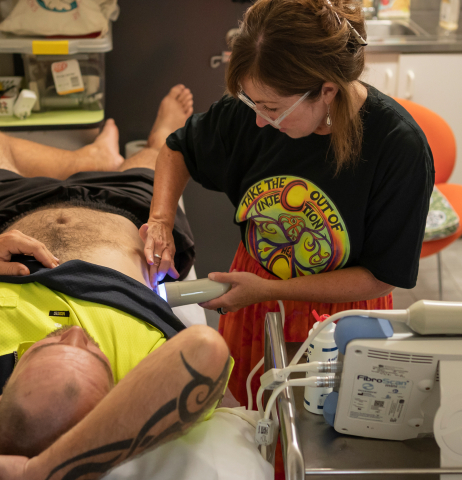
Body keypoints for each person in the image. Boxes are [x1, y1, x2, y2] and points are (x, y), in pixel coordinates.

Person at [0, 86, 232, 479]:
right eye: (96, 355)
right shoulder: (141, 382)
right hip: (129, 213)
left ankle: (88, 158)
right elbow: (205, 348)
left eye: (46, 346)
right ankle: (140, 140)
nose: (74, 332)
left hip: (7, 218)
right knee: (160, 150)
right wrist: (42, 471)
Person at [142, 0, 435, 409]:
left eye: (272, 109)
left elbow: (381, 277)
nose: (259, 120)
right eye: (251, 103)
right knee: (249, 422)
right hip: (253, 294)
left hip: (342, 315)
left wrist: (269, 290)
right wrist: (160, 219)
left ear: (327, 91)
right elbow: (177, 151)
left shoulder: (397, 147)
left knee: (324, 435)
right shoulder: (253, 111)